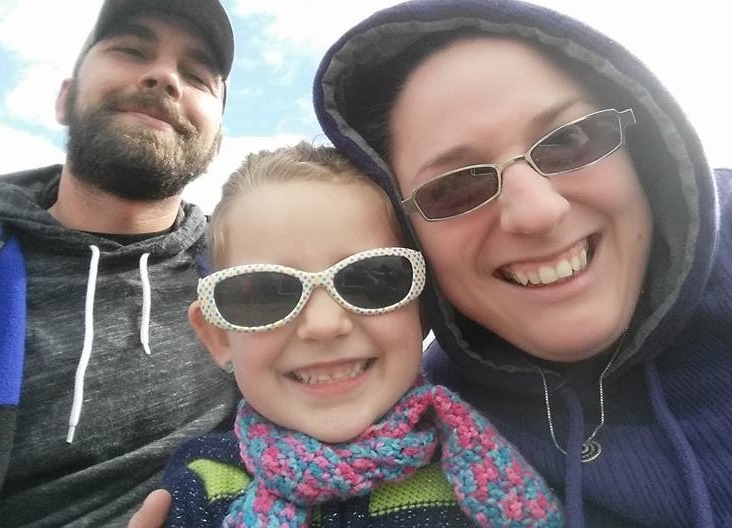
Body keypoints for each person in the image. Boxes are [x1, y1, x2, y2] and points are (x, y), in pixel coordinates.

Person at [311, 0, 732, 527]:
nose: (538, 212)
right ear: (409, 236)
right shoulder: (421, 421)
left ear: (640, 148)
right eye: (456, 187)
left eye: (567, 141)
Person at [158, 142, 562, 527]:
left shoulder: (491, 467)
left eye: (371, 280)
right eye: (266, 293)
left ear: (423, 309)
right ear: (220, 337)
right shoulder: (198, 488)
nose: (324, 325)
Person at [0, 0, 239, 525]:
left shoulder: (250, 278)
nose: (164, 77)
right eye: (131, 50)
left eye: (197, 76)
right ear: (64, 98)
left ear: (216, 142)